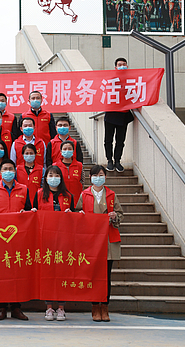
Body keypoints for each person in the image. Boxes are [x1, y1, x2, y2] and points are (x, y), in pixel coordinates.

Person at [76, 165, 124, 323]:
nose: (98, 178)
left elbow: (120, 214)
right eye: (95, 175)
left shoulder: (111, 194)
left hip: (108, 239)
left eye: (101, 175)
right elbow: (77, 213)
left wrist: (115, 216)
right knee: (93, 275)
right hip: (91, 241)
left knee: (106, 275)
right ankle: (95, 306)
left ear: (105, 177)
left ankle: (105, 306)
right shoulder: (84, 194)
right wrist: (80, 215)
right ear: (90, 178)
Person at [0, 159, 32, 321]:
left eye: (10, 169)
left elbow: (29, 210)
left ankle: (16, 307)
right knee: (1, 271)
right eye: (5, 169)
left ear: (15, 171)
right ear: (0, 172)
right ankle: (1, 307)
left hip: (18, 237)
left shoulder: (24, 189)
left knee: (17, 271)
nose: (8, 171)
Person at [33, 165, 73, 322]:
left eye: (57, 175)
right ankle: (49, 307)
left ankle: (61, 308)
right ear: (46, 178)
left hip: (63, 240)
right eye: (50, 175)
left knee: (63, 273)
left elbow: (75, 216)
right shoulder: (39, 194)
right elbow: (33, 213)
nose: (53, 178)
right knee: (47, 274)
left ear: (61, 178)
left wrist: (72, 214)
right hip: (45, 240)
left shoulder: (68, 195)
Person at [104, 58, 134, 172]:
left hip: (124, 115)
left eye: (124, 64)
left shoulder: (130, 80)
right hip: (111, 114)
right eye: (120, 64)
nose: (122, 66)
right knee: (108, 140)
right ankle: (109, 160)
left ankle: (117, 161)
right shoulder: (111, 80)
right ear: (115, 67)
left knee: (120, 140)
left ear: (127, 66)